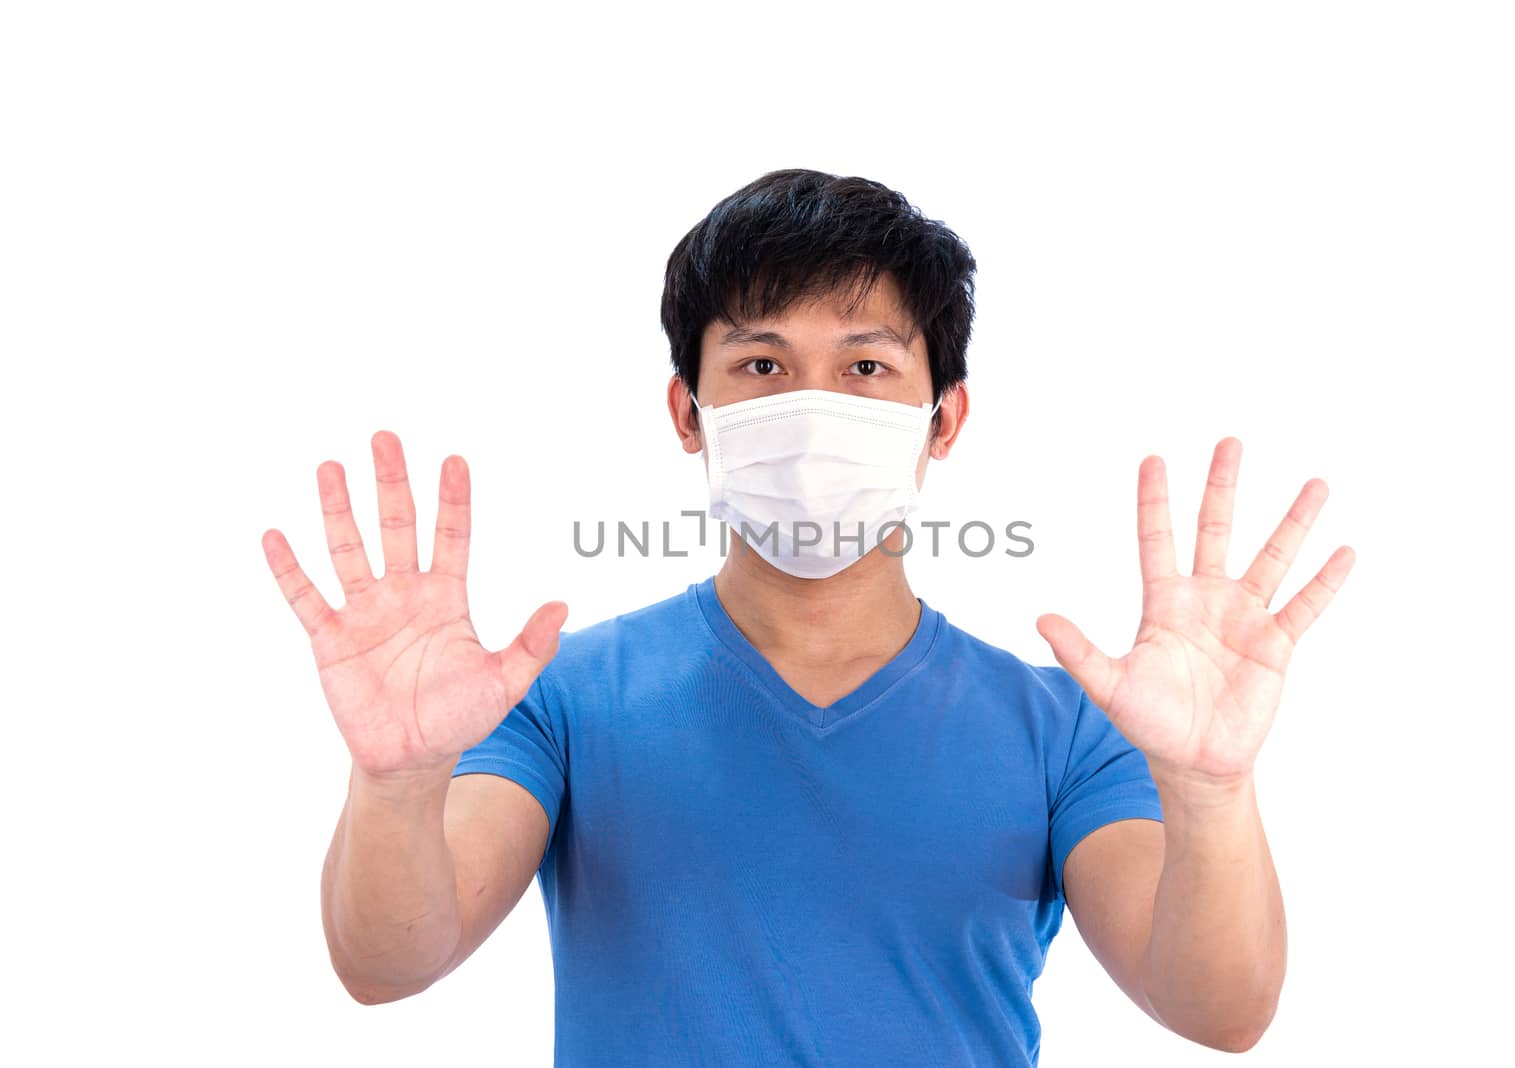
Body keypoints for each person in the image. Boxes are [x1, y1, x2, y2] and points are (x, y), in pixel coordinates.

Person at [261, 169, 1355, 1066]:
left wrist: (1211, 792)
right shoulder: (558, 699)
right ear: (689, 412)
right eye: (761, 364)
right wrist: (398, 783)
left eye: (866, 365)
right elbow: (387, 963)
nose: (812, 406)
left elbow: (1220, 1012)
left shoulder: (1063, 727)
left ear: (944, 419)